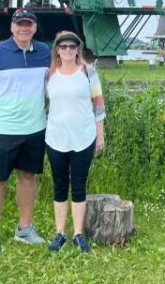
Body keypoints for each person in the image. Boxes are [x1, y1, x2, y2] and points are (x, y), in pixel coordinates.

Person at [0, 8, 50, 258]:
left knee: (28, 177)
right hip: (3, 129)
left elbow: (53, 84)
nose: (24, 28)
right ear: (12, 27)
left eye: (28, 24)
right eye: (20, 24)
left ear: (35, 28)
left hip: (35, 128)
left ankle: (24, 229)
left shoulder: (44, 52)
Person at [44, 30, 106, 254]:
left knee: (79, 185)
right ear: (57, 50)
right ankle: (59, 233)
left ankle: (78, 234)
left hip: (83, 136)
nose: (68, 50)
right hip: (56, 137)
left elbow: (98, 104)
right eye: (64, 46)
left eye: (72, 46)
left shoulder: (88, 72)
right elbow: (43, 103)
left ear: (78, 49)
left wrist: (100, 134)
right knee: (59, 185)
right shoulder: (49, 74)